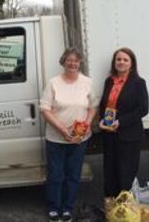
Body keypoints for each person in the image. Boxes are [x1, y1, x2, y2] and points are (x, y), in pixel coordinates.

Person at [40, 48, 97, 222]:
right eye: (69, 60)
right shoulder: (53, 83)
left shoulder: (87, 82)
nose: (72, 63)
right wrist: (62, 129)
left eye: (76, 61)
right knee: (56, 175)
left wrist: (87, 123)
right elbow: (44, 109)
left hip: (79, 138)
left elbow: (93, 107)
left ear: (80, 63)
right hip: (56, 138)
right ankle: (53, 208)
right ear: (63, 62)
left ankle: (67, 209)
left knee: (73, 175)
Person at [99, 47, 149, 199]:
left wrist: (121, 122)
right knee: (110, 173)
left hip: (128, 136)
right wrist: (102, 120)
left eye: (125, 60)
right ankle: (112, 208)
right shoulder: (109, 81)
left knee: (125, 174)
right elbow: (104, 105)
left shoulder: (138, 83)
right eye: (118, 59)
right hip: (109, 134)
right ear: (114, 62)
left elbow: (143, 109)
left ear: (131, 64)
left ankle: (124, 211)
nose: (121, 62)